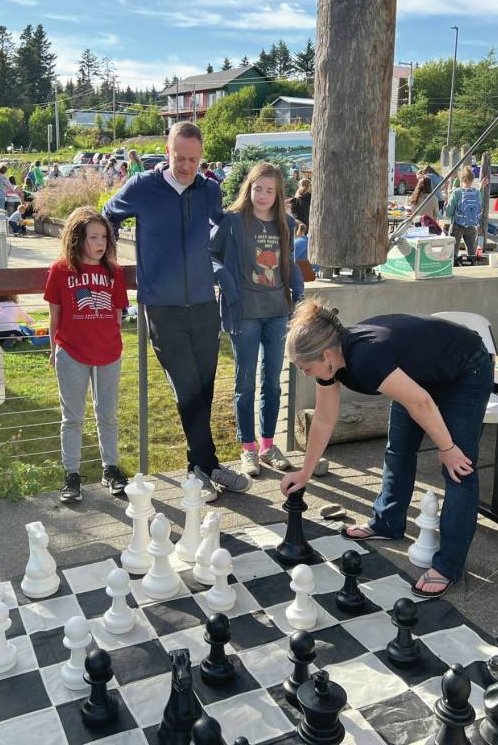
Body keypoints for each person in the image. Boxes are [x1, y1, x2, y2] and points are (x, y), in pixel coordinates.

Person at [279, 300, 492, 599]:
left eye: (305, 367)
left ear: (326, 355)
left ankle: (448, 566)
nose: (305, 374)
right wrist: (305, 471)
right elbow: (325, 419)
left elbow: (421, 402)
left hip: (466, 367)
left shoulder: (366, 359)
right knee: (398, 451)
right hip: (421, 376)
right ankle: (387, 522)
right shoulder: (331, 363)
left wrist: (447, 447)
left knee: (458, 468)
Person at [104, 120, 250, 500]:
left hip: (204, 303)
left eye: (194, 159)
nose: (186, 166)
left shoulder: (209, 191)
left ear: (202, 158)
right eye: (179, 158)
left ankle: (202, 468)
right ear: (167, 152)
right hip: (162, 306)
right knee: (186, 387)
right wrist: (103, 259)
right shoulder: (142, 187)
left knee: (202, 389)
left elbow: (224, 229)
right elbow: (107, 216)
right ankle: (206, 466)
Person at [210, 162, 305, 477]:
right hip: (245, 314)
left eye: (269, 190)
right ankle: (247, 448)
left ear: (278, 194)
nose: (262, 195)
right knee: (245, 383)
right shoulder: (233, 222)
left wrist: (299, 296)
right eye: (257, 188)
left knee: (273, 383)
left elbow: (289, 263)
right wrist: (224, 278)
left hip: (277, 312)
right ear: (248, 188)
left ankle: (267, 445)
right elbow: (209, 254)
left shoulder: (286, 224)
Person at [44, 207, 130, 502]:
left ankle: (111, 469)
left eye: (104, 237)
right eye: (93, 236)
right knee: (72, 417)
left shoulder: (114, 272)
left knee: (107, 415)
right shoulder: (60, 271)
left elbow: (117, 315)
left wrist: (112, 343)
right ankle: (71, 475)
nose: (100, 243)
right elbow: (55, 315)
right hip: (71, 353)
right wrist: (53, 349)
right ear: (77, 238)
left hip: (108, 353)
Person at [443, 166, 483, 264]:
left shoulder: (457, 192)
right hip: (472, 225)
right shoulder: (477, 192)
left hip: (457, 225)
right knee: (472, 254)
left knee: (453, 255)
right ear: (472, 179)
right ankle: (473, 267)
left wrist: (446, 204)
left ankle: (454, 268)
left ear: (462, 179)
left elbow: (448, 213)